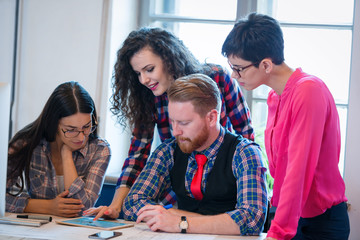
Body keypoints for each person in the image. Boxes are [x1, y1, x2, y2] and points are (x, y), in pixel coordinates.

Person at [84, 27, 254, 220]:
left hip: (225, 179)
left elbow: (245, 134)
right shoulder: (148, 98)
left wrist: (243, 183)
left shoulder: (218, 78)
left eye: (149, 69)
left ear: (169, 60)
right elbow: (138, 155)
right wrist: (115, 206)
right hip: (183, 179)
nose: (144, 79)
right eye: (138, 73)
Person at [222, 13, 350, 240]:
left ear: (266, 65)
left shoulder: (308, 91)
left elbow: (298, 169)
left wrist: (278, 232)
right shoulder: (275, 97)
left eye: (239, 68)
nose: (234, 75)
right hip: (290, 215)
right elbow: (280, 168)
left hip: (320, 223)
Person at [122, 73, 267, 235]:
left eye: (184, 123)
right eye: (173, 122)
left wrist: (181, 222)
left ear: (212, 118)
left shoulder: (245, 153)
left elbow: (252, 219)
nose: (175, 131)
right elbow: (132, 204)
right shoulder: (168, 150)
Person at [6, 81, 111, 217]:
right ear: (54, 123)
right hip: (36, 230)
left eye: (87, 127)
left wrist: (66, 153)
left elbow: (82, 207)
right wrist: (47, 207)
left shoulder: (100, 150)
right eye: (71, 130)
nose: (81, 137)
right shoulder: (27, 144)